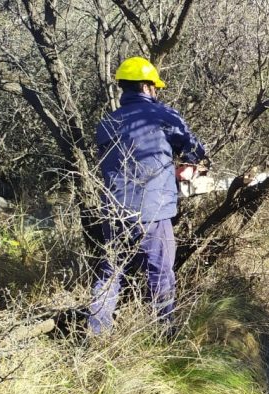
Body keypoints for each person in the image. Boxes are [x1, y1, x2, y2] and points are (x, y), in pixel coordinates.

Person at [88, 56, 209, 335]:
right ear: (146, 86)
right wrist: (190, 164)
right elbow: (194, 150)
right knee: (160, 273)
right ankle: (164, 335)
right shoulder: (164, 116)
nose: (157, 92)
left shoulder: (107, 122)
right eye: (155, 87)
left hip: (115, 211)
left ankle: (96, 334)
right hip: (153, 213)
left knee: (111, 275)